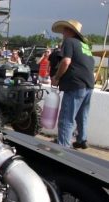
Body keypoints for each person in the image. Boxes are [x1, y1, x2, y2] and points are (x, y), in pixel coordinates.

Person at [51, 19, 95, 149]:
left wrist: (57, 77)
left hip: (75, 84)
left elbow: (66, 62)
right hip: (88, 84)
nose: (63, 33)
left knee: (66, 118)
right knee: (82, 115)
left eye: (64, 30)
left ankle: (63, 147)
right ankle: (82, 139)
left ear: (70, 31)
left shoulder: (69, 42)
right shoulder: (84, 45)